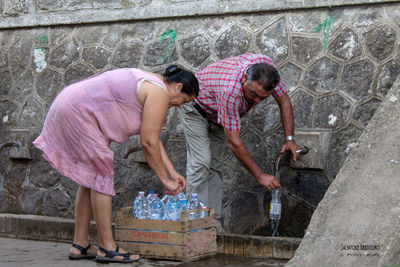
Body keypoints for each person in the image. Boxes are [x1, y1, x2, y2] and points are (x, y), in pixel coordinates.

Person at [33, 66, 199, 263]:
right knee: (102, 173)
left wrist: (172, 173)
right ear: (178, 87)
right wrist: (165, 181)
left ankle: (80, 245)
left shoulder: (155, 84)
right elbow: (148, 143)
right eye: (185, 101)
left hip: (71, 104)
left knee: (91, 179)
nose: (181, 106)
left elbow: (153, 137)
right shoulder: (160, 92)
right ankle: (107, 248)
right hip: (77, 111)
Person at [179, 53, 300, 231]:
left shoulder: (268, 72)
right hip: (195, 107)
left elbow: (284, 100)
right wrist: (260, 175)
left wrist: (290, 139)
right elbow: (234, 143)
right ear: (244, 78)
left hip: (217, 115)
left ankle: (213, 225)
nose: (255, 101)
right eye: (253, 94)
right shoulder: (230, 91)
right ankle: (196, 226)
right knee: (201, 163)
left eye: (262, 98)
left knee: (214, 165)